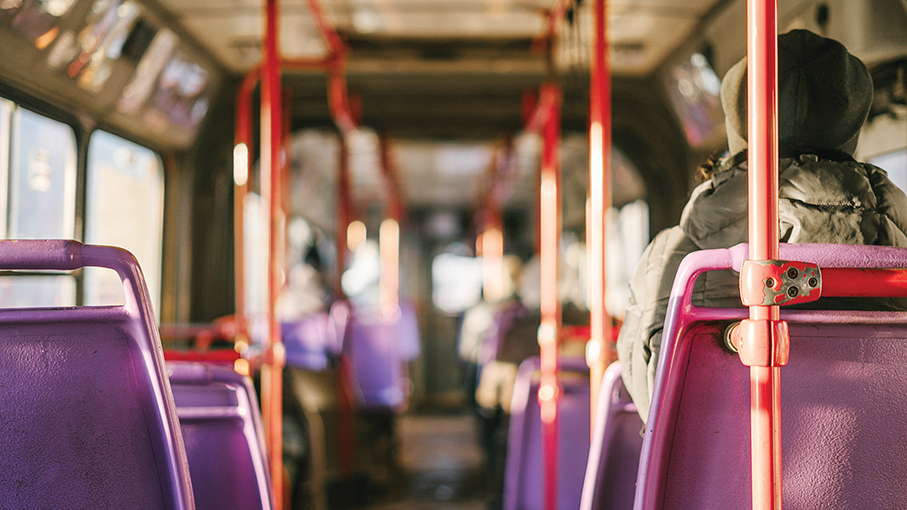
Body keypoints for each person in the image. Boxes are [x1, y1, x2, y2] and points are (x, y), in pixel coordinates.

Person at [617, 29, 907, 423]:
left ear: (739, 125)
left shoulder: (677, 257)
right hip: (887, 478)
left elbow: (653, 397)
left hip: (723, 482)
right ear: (850, 129)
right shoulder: (898, 242)